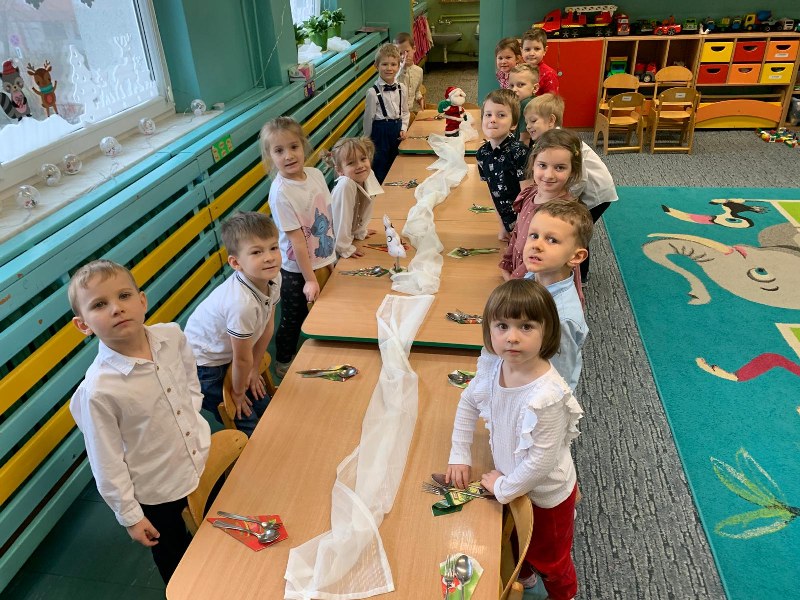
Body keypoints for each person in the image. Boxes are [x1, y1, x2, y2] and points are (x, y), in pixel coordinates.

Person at [68, 260, 210, 584]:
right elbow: (106, 463)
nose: (116, 308)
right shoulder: (98, 391)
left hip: (200, 458)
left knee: (214, 528)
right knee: (176, 555)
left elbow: (189, 374)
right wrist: (131, 516)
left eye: (124, 296)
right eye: (99, 305)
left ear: (142, 300)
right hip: (159, 491)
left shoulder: (170, 335)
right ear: (83, 325)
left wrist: (192, 407)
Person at [446, 278, 583, 600]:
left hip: (546, 495)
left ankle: (565, 594)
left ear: (547, 332)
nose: (512, 337)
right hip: (511, 478)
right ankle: (525, 576)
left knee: (551, 560)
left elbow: (541, 462)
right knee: (514, 542)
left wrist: (504, 488)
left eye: (526, 327)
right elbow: (468, 402)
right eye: (502, 326)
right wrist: (459, 453)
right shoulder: (495, 365)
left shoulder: (547, 395)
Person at [184, 212, 281, 436]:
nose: (269, 257)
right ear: (236, 263)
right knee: (245, 420)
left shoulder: (273, 277)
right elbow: (242, 359)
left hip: (232, 355)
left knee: (265, 406)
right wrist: (237, 393)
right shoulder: (241, 304)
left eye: (273, 248)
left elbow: (267, 327)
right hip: (205, 365)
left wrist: (254, 370)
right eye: (257, 252)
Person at [263, 116, 336, 378]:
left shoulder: (315, 175)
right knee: (293, 318)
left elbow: (327, 215)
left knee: (326, 308)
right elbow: (297, 241)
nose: (288, 155)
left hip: (323, 257)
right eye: (279, 150)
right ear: (270, 156)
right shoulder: (281, 192)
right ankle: (283, 361)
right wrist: (310, 279)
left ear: (303, 146)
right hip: (296, 270)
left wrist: (334, 254)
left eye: (293, 147)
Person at [524, 94, 618, 281]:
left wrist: (565, 202)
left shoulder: (565, 143)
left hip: (597, 194)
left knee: (575, 232)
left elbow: (581, 179)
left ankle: (581, 277)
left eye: (533, 121)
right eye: (527, 122)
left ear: (551, 120)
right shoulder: (549, 142)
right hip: (584, 190)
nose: (528, 126)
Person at [523, 198, 593, 393]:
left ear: (576, 257)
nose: (537, 245)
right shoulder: (531, 278)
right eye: (533, 235)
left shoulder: (561, 318)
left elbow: (557, 380)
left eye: (552, 240)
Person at [499, 128, 581, 281]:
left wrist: (515, 280)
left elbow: (544, 255)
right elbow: (518, 230)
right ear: (533, 164)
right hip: (521, 268)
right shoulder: (530, 193)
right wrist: (507, 261)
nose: (549, 175)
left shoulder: (564, 213)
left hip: (539, 278)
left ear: (572, 170)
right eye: (542, 165)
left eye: (560, 167)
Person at [475, 89, 528, 242]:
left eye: (501, 115)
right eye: (488, 115)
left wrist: (521, 230)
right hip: (509, 226)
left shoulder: (519, 152)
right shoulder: (482, 154)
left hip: (527, 225)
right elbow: (493, 193)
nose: (492, 119)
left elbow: (528, 196)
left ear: (514, 124)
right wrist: (503, 226)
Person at [326, 136, 384, 258]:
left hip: (349, 238)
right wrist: (345, 248)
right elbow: (342, 221)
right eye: (351, 163)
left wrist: (360, 231)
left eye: (363, 159)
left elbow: (366, 206)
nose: (360, 165)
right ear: (340, 170)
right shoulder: (345, 185)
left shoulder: (368, 174)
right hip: (332, 246)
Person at [363, 43, 409, 183]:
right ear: (376, 66)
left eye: (393, 64)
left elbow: (405, 112)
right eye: (384, 64)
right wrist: (366, 141)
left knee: (397, 162)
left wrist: (403, 128)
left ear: (399, 66)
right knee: (380, 165)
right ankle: (381, 191)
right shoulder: (372, 93)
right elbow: (368, 119)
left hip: (397, 130)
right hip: (380, 133)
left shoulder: (402, 88)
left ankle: (396, 188)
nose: (389, 68)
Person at [394, 32, 425, 124]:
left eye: (407, 51)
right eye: (400, 53)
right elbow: (392, 84)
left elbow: (416, 90)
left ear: (414, 49)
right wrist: (402, 68)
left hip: (408, 113)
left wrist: (420, 98)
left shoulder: (419, 71)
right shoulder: (394, 71)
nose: (404, 56)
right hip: (395, 115)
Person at [508, 63, 540, 145]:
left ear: (535, 88)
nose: (514, 89)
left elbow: (525, 137)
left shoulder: (526, 104)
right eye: (511, 85)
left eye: (520, 85)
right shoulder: (533, 101)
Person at [521, 29, 559, 96]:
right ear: (521, 51)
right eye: (527, 49)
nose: (532, 53)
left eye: (537, 49)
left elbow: (551, 100)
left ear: (545, 50)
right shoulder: (519, 70)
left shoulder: (549, 74)